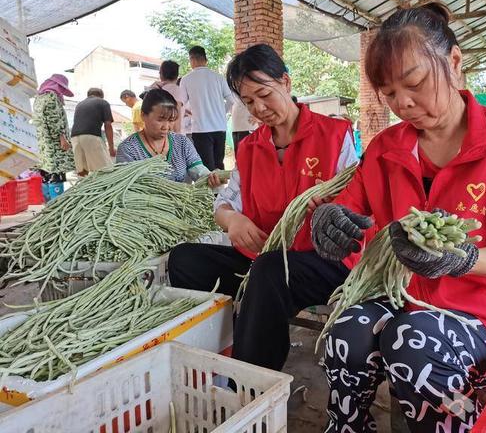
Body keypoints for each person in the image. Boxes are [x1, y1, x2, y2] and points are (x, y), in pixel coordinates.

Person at [310, 4, 486, 432]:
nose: (403, 103)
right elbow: (351, 206)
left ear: (455, 62)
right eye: (388, 93)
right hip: (408, 298)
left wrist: (466, 260)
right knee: (345, 332)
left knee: (412, 341)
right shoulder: (384, 148)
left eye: (414, 83)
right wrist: (330, 222)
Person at [168, 44, 359, 371]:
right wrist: (233, 220)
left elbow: (356, 207)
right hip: (261, 260)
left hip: (323, 263)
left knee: (269, 269)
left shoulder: (334, 135)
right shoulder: (249, 148)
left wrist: (332, 213)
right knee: (184, 259)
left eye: (264, 94)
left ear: (285, 82)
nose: (259, 108)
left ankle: (248, 381)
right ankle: (223, 347)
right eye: (249, 101)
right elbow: (225, 203)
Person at [116, 88, 216, 185]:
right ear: (143, 115)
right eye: (160, 120)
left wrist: (210, 178)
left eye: (171, 120)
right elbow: (127, 188)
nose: (166, 127)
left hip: (182, 200)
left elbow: (198, 170)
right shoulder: (128, 149)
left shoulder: (182, 142)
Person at [179, 46, 235, 170]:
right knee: (219, 165)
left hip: (200, 129)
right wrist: (222, 112)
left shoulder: (186, 79)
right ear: (206, 60)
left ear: (191, 60)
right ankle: (220, 190)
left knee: (206, 167)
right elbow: (231, 100)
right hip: (220, 127)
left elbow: (181, 104)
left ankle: (209, 190)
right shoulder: (219, 78)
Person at [32, 74, 75, 185]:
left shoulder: (38, 98)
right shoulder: (51, 96)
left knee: (46, 173)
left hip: (43, 142)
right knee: (56, 172)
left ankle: (49, 201)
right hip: (54, 143)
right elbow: (54, 120)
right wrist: (62, 138)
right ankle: (57, 200)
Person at [70, 88, 116, 175]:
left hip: (74, 137)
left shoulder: (79, 104)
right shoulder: (102, 102)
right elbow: (108, 125)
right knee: (105, 170)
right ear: (101, 96)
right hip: (91, 136)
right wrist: (111, 148)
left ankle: (85, 187)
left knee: (83, 171)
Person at [150, 60, 187, 134]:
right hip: (172, 135)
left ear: (161, 74)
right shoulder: (176, 90)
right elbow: (177, 114)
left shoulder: (155, 90)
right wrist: (177, 136)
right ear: (177, 75)